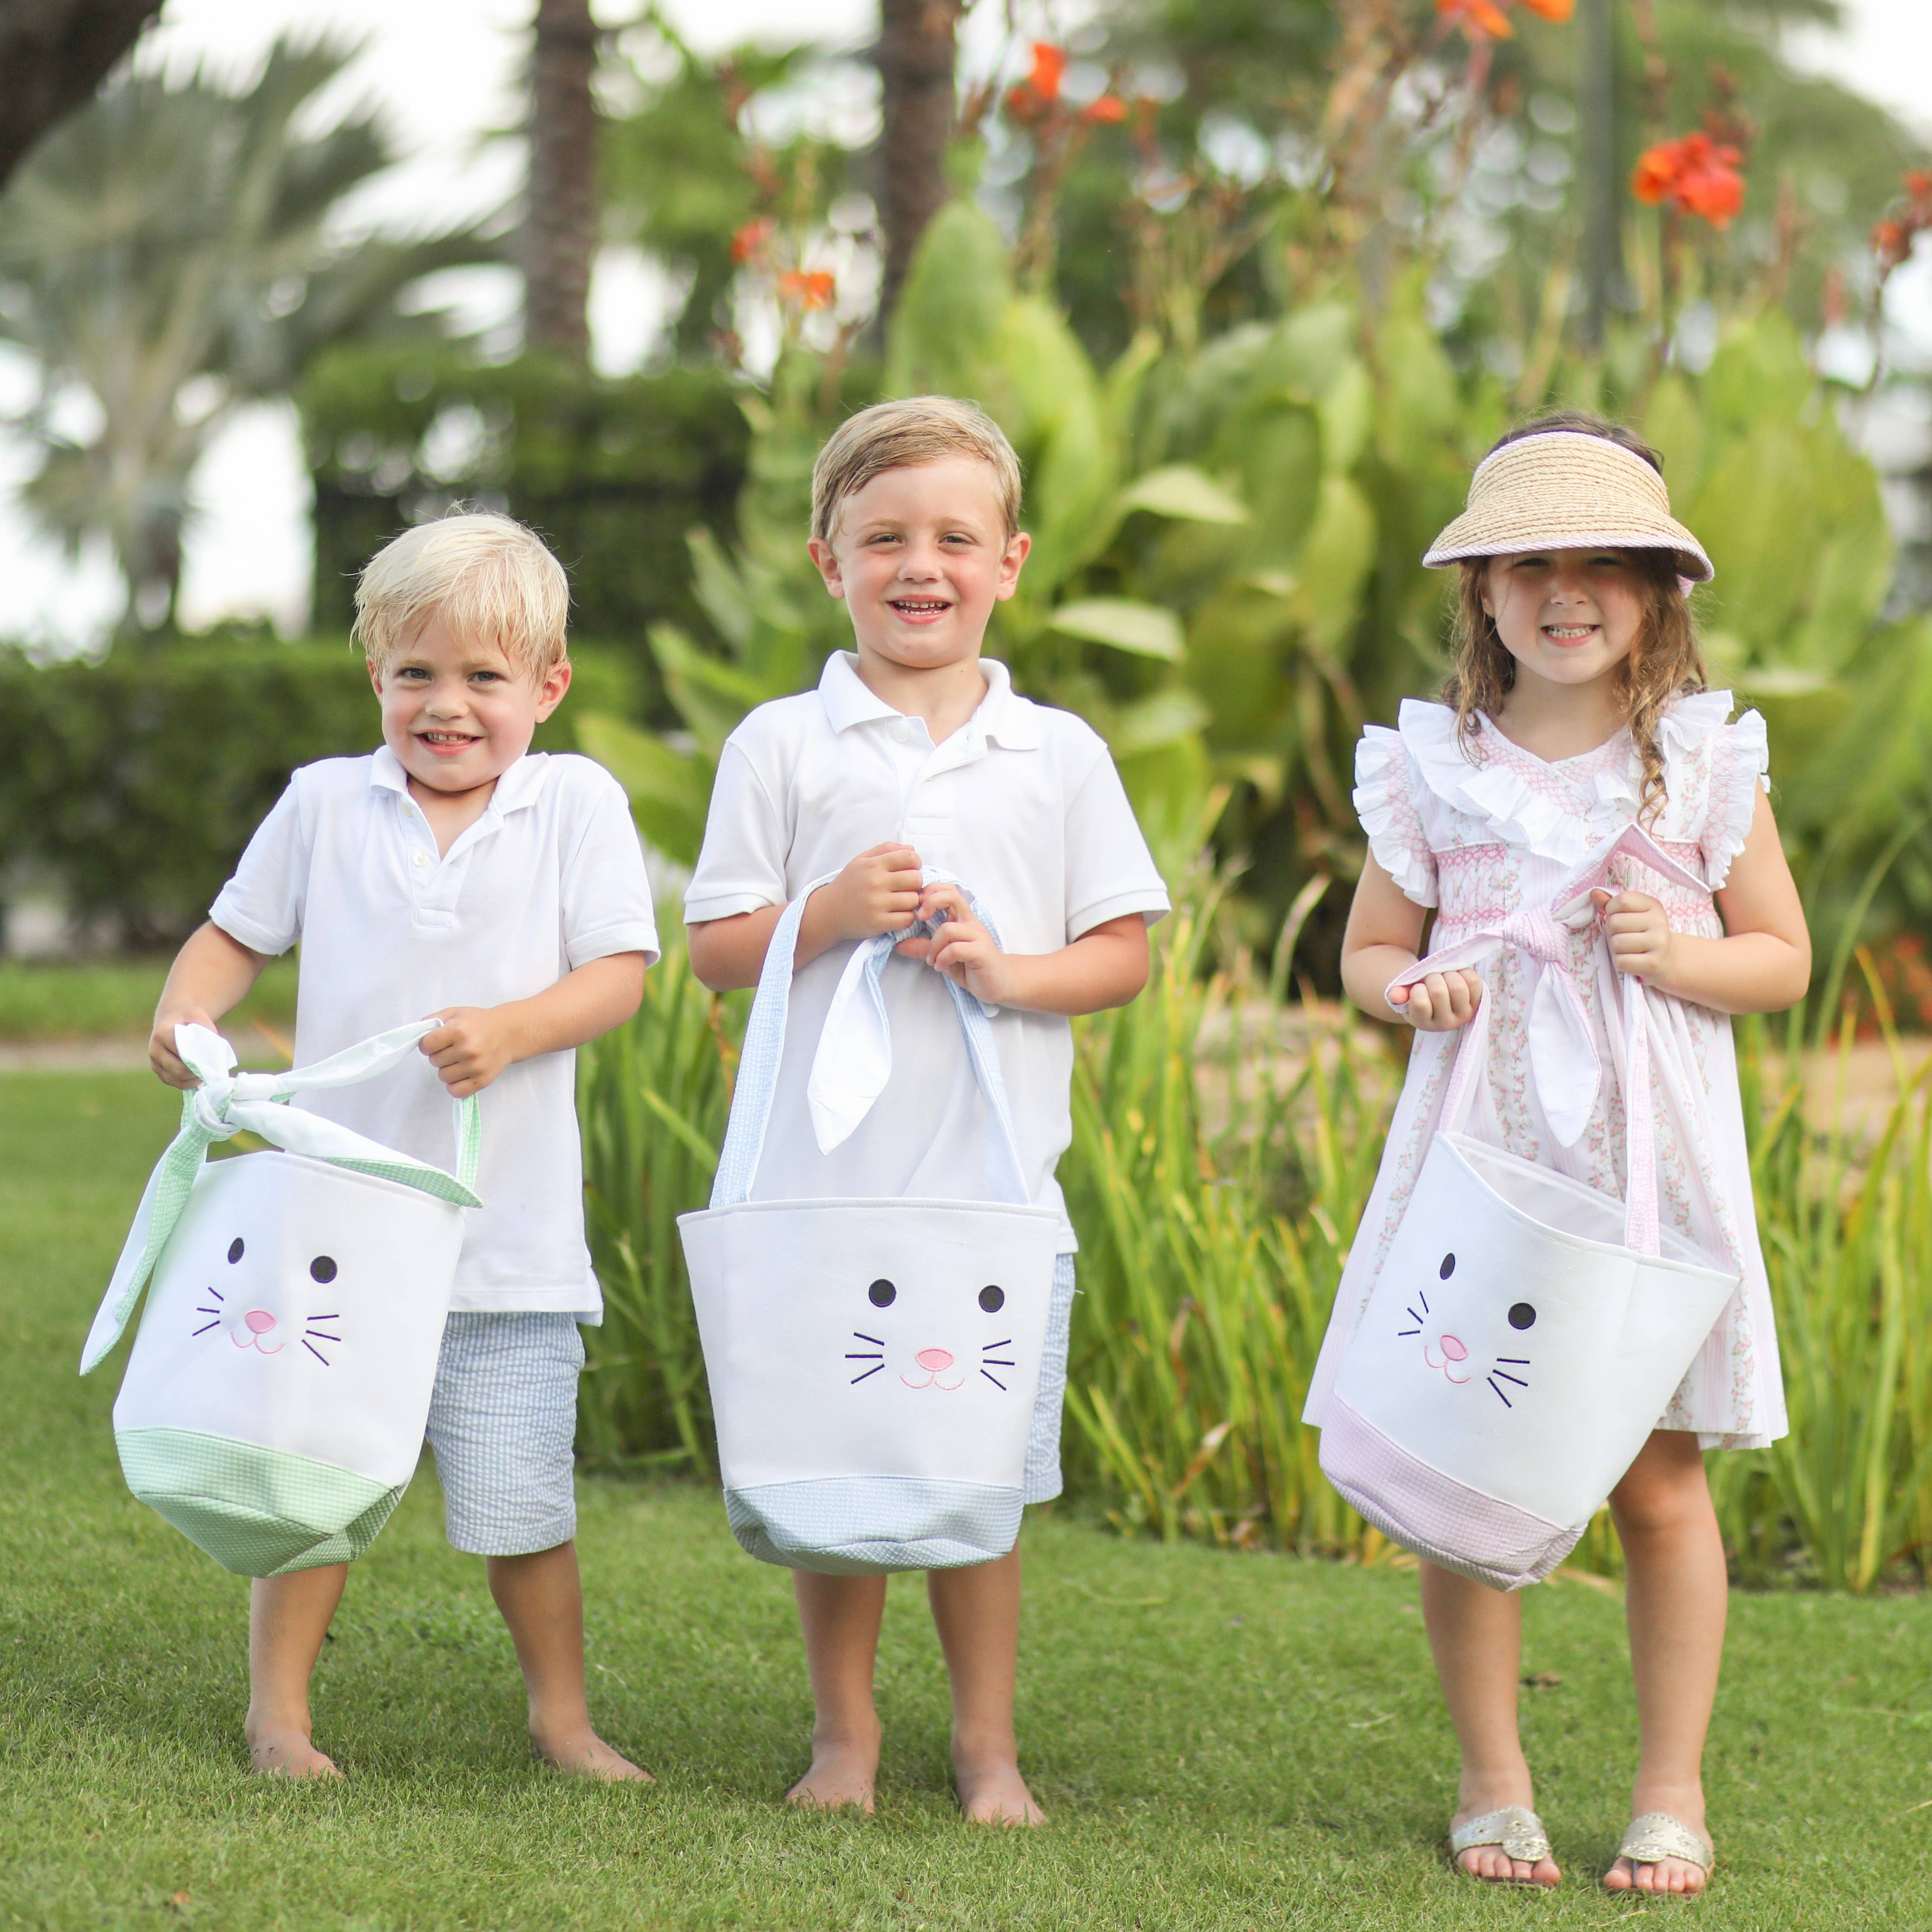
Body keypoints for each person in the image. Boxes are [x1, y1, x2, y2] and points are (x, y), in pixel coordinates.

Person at [1305, 414, 1810, 1895]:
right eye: (1531, 565)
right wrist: (1413, 990)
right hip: (1488, 1163)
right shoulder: (1437, 769)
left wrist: (1682, 957)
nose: (1566, 593)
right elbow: (1369, 950)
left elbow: (1780, 956)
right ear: (1484, 591)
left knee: (1657, 1484)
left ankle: (1670, 1792)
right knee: (1471, 1470)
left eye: (1603, 565)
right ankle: (1493, 1781)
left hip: (1650, 1167)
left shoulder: (1697, 769)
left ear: (1657, 593)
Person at [684, 396, 1169, 1824]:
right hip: (823, 1186)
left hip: (990, 1192)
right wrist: (831, 912)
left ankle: (985, 1746)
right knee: (837, 1466)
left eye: (956, 539)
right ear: (827, 560)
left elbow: (1123, 953)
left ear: (1009, 562)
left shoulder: (1058, 754)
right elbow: (716, 949)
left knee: (976, 1474)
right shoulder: (782, 743)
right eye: (884, 538)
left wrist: (1008, 973)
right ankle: (844, 1736)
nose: (920, 565)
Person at [145, 511, 659, 1782]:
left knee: (522, 1505)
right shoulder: (327, 801)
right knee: (305, 1476)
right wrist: (186, 1009)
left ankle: (562, 1720)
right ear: (375, 672)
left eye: (485, 677)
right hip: (335, 1237)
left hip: (506, 1241)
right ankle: (279, 1716)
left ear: (548, 686)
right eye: (415, 672)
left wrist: (514, 1028)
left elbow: (620, 974)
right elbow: (235, 935)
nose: (447, 705)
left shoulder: (575, 804)